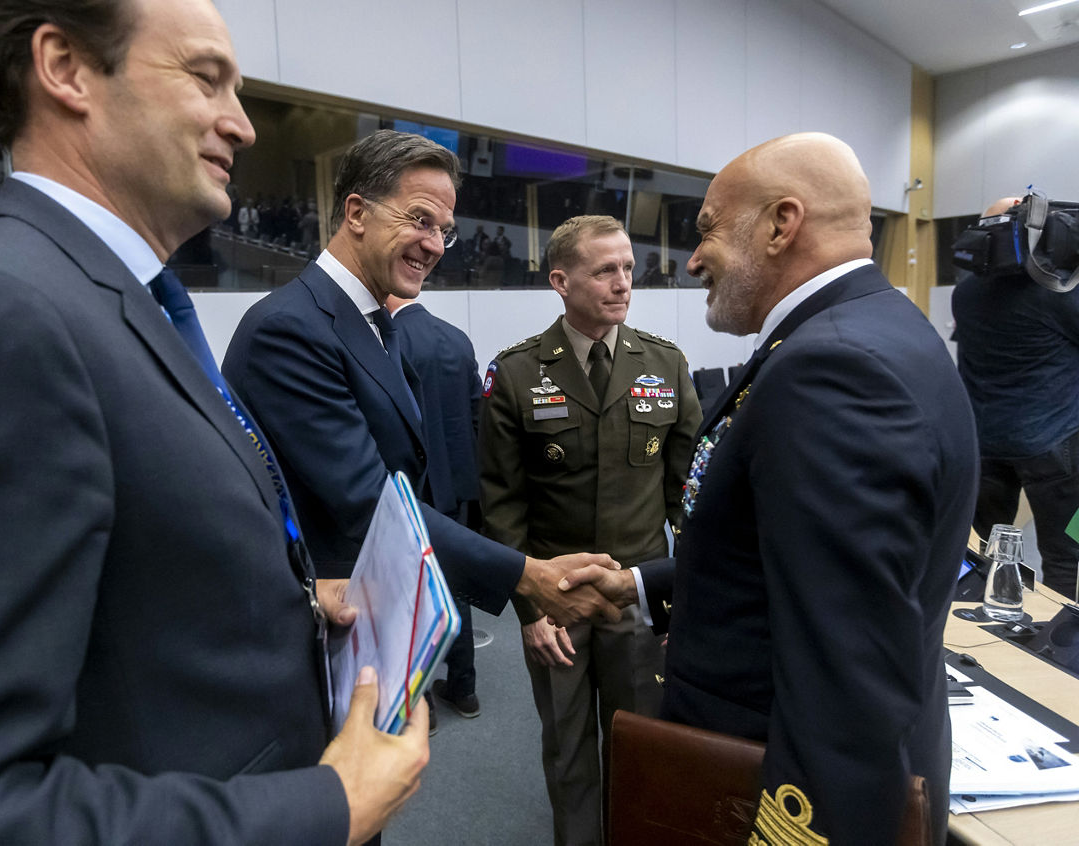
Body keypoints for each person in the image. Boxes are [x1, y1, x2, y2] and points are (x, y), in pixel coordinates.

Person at [0, 0, 430, 844]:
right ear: (64, 69)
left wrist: (288, 605)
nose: (241, 124)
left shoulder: (120, 305)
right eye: (207, 79)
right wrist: (326, 808)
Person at [561, 133, 978, 845]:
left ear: (783, 225)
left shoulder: (832, 370)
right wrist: (640, 584)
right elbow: (786, 553)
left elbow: (844, 687)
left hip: (782, 790)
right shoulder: (875, 329)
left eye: (708, 231)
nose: (693, 259)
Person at [222, 130, 621, 638]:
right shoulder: (291, 328)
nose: (435, 245)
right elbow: (369, 503)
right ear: (357, 213)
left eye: (445, 230)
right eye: (420, 219)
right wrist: (529, 576)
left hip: (373, 609)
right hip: (311, 628)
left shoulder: (369, 324)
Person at [479, 215, 700, 846]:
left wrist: (680, 596)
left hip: (639, 595)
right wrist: (528, 610)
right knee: (570, 754)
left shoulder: (665, 362)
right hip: (558, 600)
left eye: (628, 268)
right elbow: (502, 504)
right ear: (561, 280)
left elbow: (690, 496)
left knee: (641, 746)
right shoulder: (516, 374)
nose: (623, 283)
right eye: (605, 270)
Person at [952, 196, 1079, 602]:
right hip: (1056, 449)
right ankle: (1062, 647)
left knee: (991, 550)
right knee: (1066, 555)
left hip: (985, 444)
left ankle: (1000, 627)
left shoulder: (966, 292)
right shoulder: (1056, 294)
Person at [385, 292, 484, 726]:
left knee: (411, 596)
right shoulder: (458, 339)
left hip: (414, 490)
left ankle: (420, 702)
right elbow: (477, 418)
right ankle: (464, 688)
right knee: (456, 587)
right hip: (459, 488)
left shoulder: (386, 342)